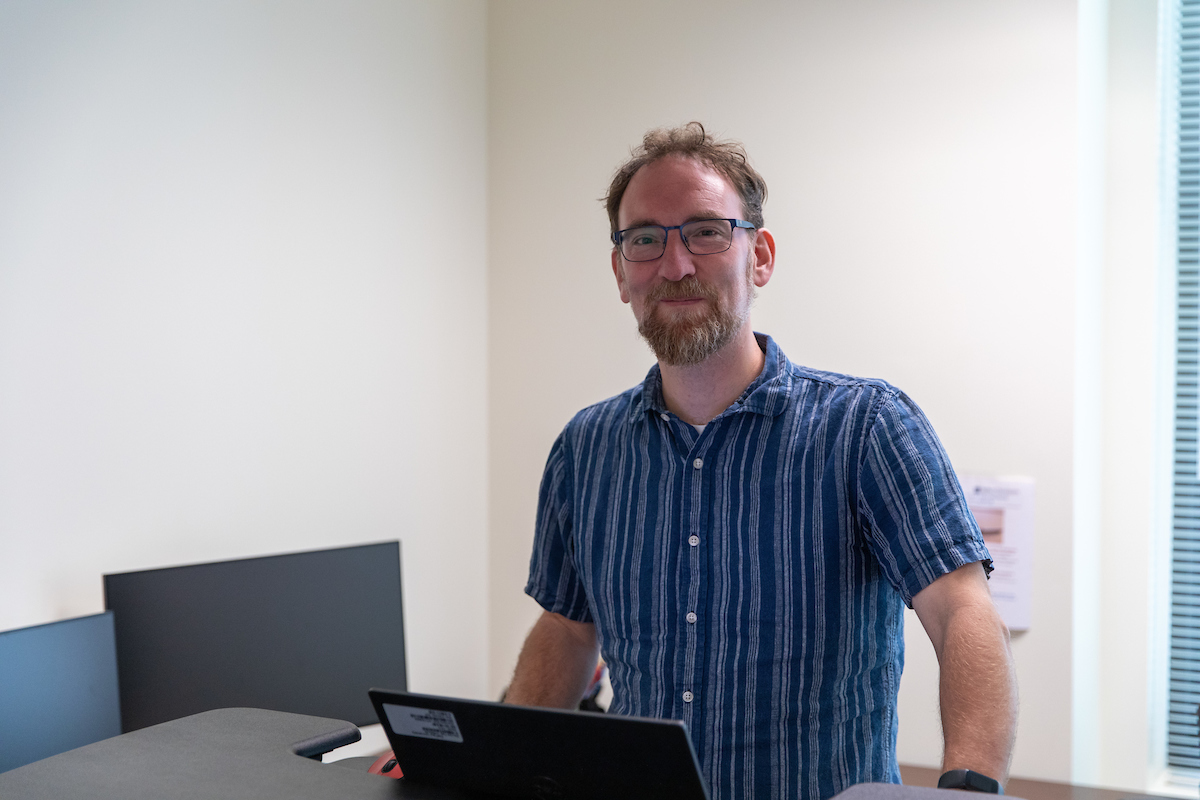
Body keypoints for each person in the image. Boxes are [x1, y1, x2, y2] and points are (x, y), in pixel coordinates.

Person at [504, 122, 1017, 800]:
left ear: (761, 257)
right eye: (645, 240)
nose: (675, 264)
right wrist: (499, 768)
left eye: (707, 232)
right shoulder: (585, 448)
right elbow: (569, 630)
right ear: (621, 273)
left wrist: (969, 786)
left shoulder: (865, 427)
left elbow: (960, 609)